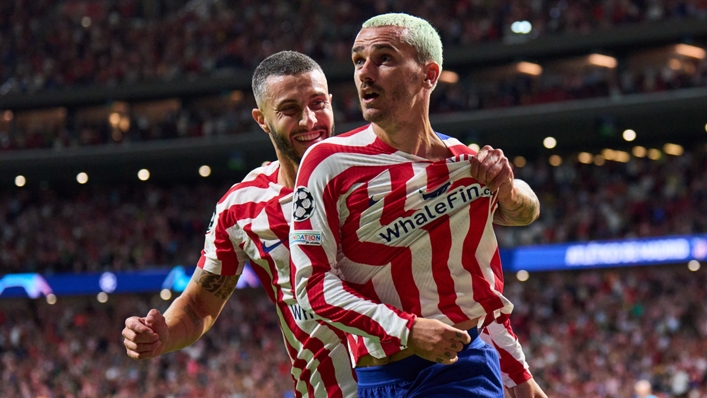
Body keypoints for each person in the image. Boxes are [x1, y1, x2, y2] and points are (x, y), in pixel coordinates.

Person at [290, 13, 547, 398]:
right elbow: (311, 287)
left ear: (429, 75)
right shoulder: (327, 163)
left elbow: (514, 227)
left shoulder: (464, 165)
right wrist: (405, 329)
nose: (364, 73)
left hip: (458, 372)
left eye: (384, 58)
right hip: (373, 381)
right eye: (358, 60)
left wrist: (509, 191)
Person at [122, 51, 357, 397]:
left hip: (414, 381)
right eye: (289, 109)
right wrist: (164, 336)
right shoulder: (241, 208)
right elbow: (200, 305)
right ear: (261, 119)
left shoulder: (375, 173)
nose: (309, 121)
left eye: (318, 103)